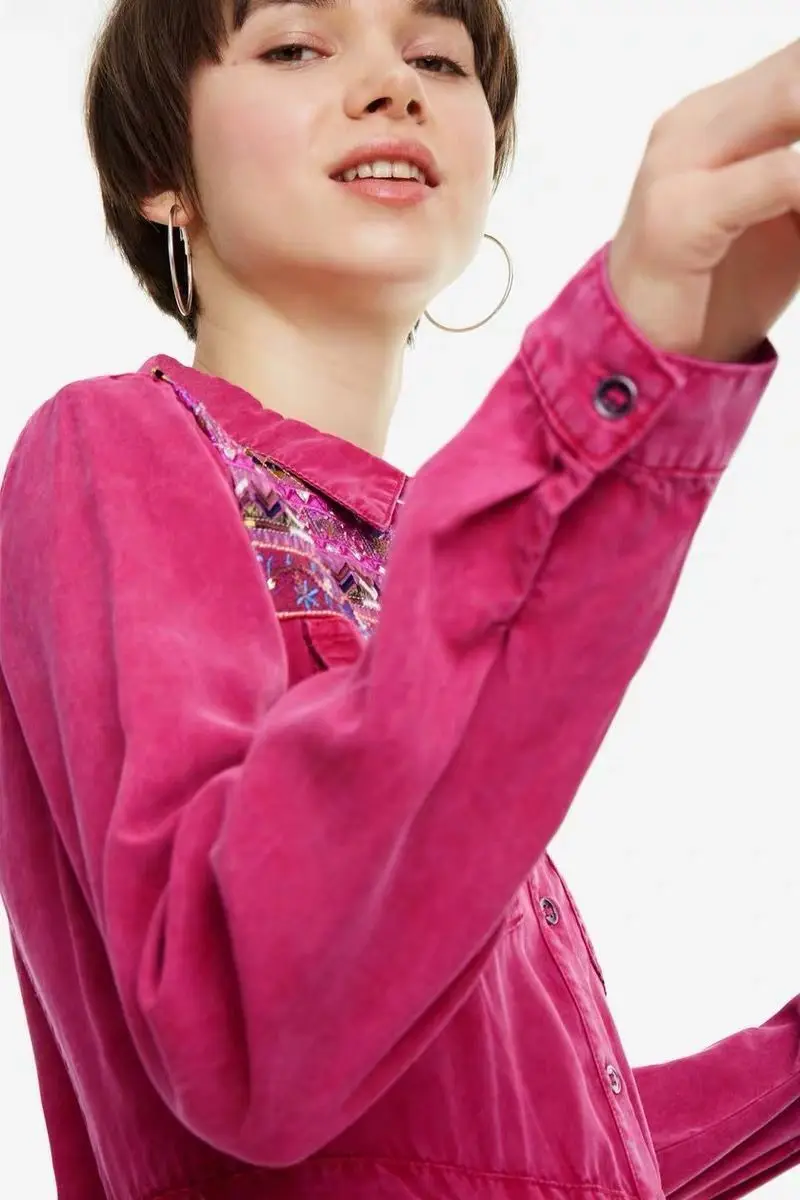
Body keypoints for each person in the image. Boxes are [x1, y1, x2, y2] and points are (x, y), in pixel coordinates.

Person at [0, 1, 798, 1197]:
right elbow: (242, 1026)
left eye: (437, 58)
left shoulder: (424, 561)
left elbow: (511, 1156)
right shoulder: (114, 445)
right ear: (159, 174)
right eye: (294, 46)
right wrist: (619, 347)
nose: (393, 86)